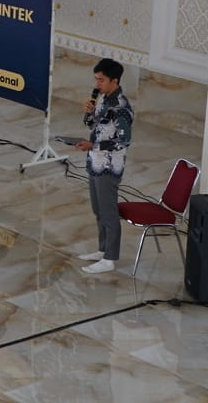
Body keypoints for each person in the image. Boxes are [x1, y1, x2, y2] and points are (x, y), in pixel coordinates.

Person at [74, 58, 134, 275]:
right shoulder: (102, 100)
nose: (97, 84)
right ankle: (102, 249)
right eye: (96, 79)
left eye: (101, 80)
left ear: (114, 81)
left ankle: (110, 259)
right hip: (95, 161)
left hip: (109, 166)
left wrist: (94, 145)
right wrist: (89, 112)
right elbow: (92, 125)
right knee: (97, 209)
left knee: (108, 212)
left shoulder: (121, 108)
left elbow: (124, 140)